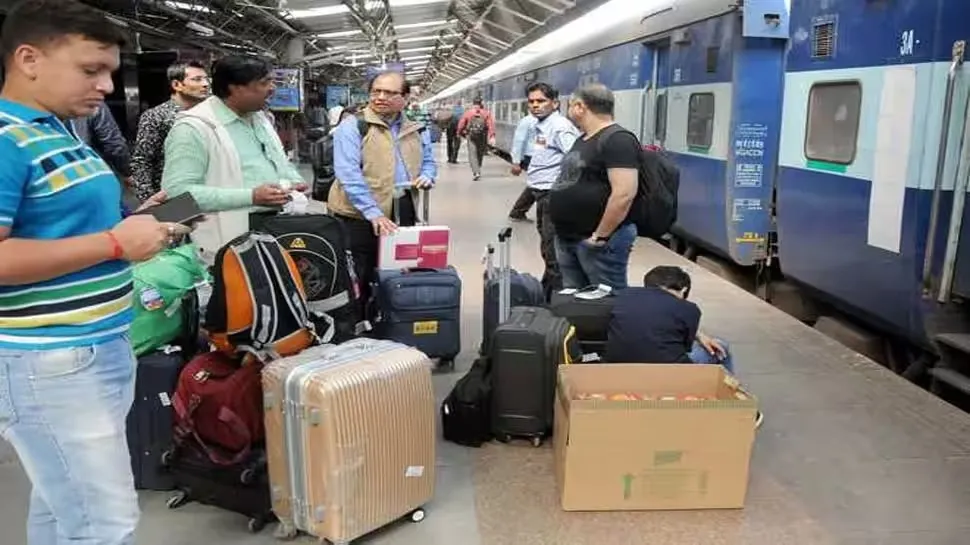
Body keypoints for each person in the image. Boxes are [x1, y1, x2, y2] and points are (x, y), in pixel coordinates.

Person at [0, 1, 185, 544]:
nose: (106, 85)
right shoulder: (6, 138)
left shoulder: (59, 132)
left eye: (108, 70)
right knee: (104, 522)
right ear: (28, 58)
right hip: (49, 362)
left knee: (64, 509)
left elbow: (64, 228)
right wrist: (113, 243)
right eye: (90, 69)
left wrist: (143, 222)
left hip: (97, 347)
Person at [161, 54, 308, 263]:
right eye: (264, 82)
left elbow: (278, 160)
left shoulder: (260, 118)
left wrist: (293, 180)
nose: (272, 88)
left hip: (275, 228)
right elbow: (177, 196)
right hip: (229, 238)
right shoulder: (194, 128)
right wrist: (251, 197)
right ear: (235, 88)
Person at [330, 70, 436, 320]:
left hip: (401, 208)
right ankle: (357, 324)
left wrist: (428, 176)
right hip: (356, 215)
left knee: (397, 269)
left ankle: (390, 320)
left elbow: (429, 161)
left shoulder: (418, 130)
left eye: (389, 93)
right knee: (359, 273)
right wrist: (373, 213)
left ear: (406, 97)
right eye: (376, 91)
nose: (380, 97)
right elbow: (348, 175)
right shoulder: (354, 126)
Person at [604, 266, 761, 426]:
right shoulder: (689, 309)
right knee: (721, 347)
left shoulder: (624, 296)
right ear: (684, 289)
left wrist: (700, 335)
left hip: (618, 369)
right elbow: (684, 347)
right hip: (669, 375)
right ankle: (738, 405)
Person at [550, 83, 639, 290]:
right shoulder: (583, 138)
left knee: (605, 302)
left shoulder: (618, 140)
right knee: (577, 301)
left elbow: (624, 194)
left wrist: (599, 237)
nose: (569, 110)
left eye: (570, 105)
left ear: (580, 107)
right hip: (568, 237)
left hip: (596, 242)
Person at [519, 83, 579, 299]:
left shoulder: (559, 127)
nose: (535, 105)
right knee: (548, 248)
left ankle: (558, 300)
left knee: (553, 251)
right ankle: (548, 294)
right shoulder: (543, 125)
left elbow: (576, 159)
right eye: (531, 101)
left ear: (555, 103)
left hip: (553, 195)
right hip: (543, 195)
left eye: (541, 101)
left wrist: (562, 188)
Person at [130, 60, 210, 203]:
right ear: (176, 85)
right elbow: (142, 161)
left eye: (206, 79)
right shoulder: (156, 116)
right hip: (172, 197)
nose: (205, 84)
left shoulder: (210, 113)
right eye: (197, 79)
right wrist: (149, 202)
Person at [507, 112, 537, 222]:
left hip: (539, 156)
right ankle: (517, 212)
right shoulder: (527, 121)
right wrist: (516, 162)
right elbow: (518, 141)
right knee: (537, 185)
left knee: (537, 184)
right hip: (531, 156)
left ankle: (518, 212)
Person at [456, 97, 495, 180]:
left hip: (471, 136)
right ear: (481, 103)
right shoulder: (486, 113)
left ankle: (476, 172)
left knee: (472, 154)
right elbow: (490, 125)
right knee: (480, 153)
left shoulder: (468, 113)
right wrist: (492, 136)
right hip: (482, 136)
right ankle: (478, 167)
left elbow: (461, 124)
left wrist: (458, 133)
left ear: (473, 103)